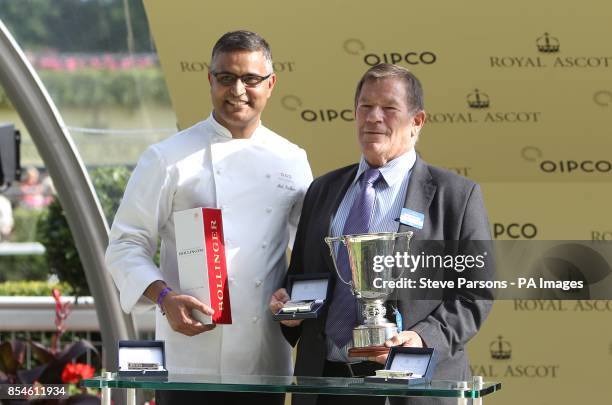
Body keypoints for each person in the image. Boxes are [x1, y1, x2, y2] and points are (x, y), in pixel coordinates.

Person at [106, 30, 312, 405]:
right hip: (189, 357)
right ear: (209, 80)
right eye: (226, 78)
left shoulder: (291, 159)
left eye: (250, 79)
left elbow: (310, 253)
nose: (237, 90)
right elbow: (125, 245)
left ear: (271, 84)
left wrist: (295, 301)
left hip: (262, 359)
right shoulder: (168, 157)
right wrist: (163, 296)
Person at [269, 63, 492, 405]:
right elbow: (301, 276)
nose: (374, 117)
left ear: (417, 122)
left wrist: (421, 338)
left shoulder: (456, 197)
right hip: (325, 386)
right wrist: (289, 309)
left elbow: (475, 293)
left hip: (413, 388)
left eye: (389, 109)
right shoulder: (323, 191)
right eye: (365, 107)